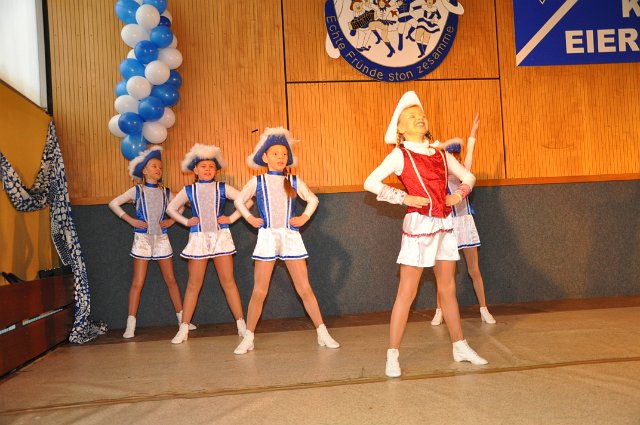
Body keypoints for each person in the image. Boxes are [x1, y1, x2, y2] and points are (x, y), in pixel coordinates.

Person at [364, 91, 488, 378]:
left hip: (444, 226)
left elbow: (469, 177)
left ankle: (460, 345)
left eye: (421, 114)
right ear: (400, 129)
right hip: (419, 227)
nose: (419, 118)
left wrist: (458, 194)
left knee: (448, 289)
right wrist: (402, 197)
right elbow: (370, 182)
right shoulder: (400, 154)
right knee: (406, 292)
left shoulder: (442, 154)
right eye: (411, 116)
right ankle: (392, 354)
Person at [233, 127, 340, 355]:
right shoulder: (257, 181)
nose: (280, 157)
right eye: (275, 154)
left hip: (290, 236)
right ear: (265, 157)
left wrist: (304, 217)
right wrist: (250, 218)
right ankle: (249, 336)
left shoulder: (293, 180)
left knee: (305, 288)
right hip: (267, 236)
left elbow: (312, 200)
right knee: (259, 290)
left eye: (284, 154)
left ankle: (322, 332)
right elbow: (239, 201)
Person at [166, 144, 247, 344]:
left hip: (221, 238)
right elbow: (170, 209)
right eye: (203, 166)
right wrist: (186, 222)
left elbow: (246, 201)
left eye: (211, 166)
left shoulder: (222, 188)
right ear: (195, 170)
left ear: (216, 169)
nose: (207, 169)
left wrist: (231, 218)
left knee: (228, 282)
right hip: (199, 239)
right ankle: (184, 328)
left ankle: (242, 326)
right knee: (193, 284)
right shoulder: (189, 190)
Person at [108, 146, 189, 338]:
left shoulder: (166, 192)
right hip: (142, 239)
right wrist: (130, 220)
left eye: (160, 167)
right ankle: (130, 325)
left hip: (161, 239)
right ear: (144, 171)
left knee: (171, 280)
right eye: (154, 166)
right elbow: (113, 203)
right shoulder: (137, 190)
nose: (158, 170)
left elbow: (182, 205)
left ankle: (183, 321)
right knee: (138, 282)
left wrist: (171, 221)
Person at [431, 114, 496, 326]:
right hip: (448, 225)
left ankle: (484, 309)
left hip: (466, 223)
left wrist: (472, 134)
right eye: (451, 156)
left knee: (474, 269)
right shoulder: (440, 177)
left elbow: (470, 154)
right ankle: (439, 310)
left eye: (456, 156)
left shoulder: (463, 173)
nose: (455, 159)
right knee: (443, 273)